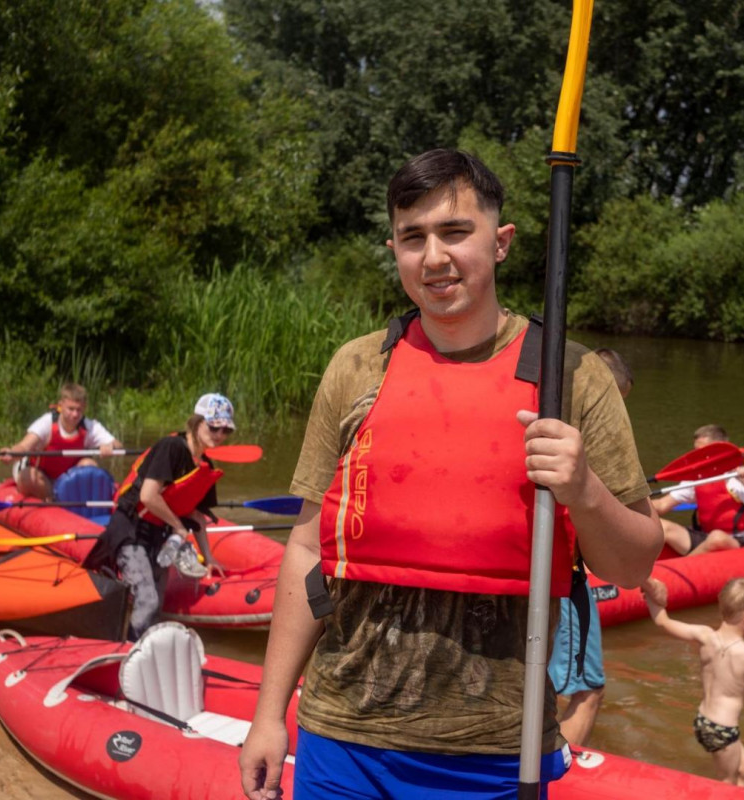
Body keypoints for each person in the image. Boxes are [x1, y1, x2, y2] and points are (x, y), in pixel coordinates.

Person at [238, 149, 662, 800]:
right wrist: (269, 714)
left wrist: (584, 490)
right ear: (395, 249)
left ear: (501, 241)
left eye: (454, 232)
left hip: (496, 750)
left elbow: (634, 565)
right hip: (339, 737)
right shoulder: (356, 368)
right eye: (413, 238)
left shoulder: (572, 377)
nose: (433, 257)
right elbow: (305, 546)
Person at [81, 393, 232, 640]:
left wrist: (210, 558)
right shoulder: (171, 447)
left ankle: (138, 649)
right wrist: (179, 528)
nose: (219, 434)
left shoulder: (205, 466)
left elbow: (196, 516)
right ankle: (128, 654)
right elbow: (148, 496)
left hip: (159, 538)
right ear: (197, 423)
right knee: (148, 601)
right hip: (131, 529)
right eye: (214, 426)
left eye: (226, 430)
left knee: (155, 604)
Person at [547, 347, 634, 747]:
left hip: (544, 572)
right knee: (588, 690)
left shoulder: (551, 429)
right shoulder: (584, 442)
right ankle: (559, 781)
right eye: (618, 400)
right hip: (563, 577)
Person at [642, 576, 744, 787]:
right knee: (727, 783)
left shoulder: (705, 635)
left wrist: (650, 595)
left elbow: (663, 621)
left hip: (703, 721)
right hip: (723, 729)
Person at [650, 425, 744, 555]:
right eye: (696, 451)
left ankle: (679, 568)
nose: (698, 456)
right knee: (660, 527)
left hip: (738, 542)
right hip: (705, 537)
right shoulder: (697, 478)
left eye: (703, 451)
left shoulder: (737, 476)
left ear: (720, 449)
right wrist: (631, 506)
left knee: (716, 538)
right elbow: (662, 505)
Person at [0, 383, 122, 499]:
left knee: (89, 464)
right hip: (42, 477)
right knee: (28, 478)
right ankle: (54, 500)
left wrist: (110, 446)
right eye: (71, 409)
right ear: (60, 405)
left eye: (79, 410)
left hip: (68, 480)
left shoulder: (89, 426)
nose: (75, 414)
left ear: (84, 408)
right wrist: (11, 453)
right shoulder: (46, 423)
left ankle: (65, 499)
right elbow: (24, 446)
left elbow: (118, 445)